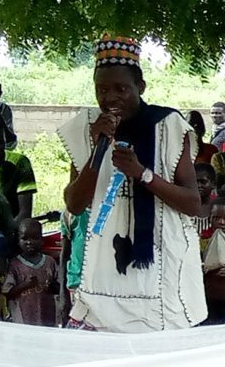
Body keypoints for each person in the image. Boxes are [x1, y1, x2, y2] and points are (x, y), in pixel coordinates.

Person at [59, 37, 204, 332]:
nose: (110, 97)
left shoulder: (170, 126)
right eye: (102, 89)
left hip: (162, 261)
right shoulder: (86, 127)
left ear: (141, 87)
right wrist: (97, 150)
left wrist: (142, 173)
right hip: (103, 267)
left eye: (121, 89)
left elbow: (193, 203)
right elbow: (74, 204)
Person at [5, 219, 63, 326]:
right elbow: (8, 292)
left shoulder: (49, 262)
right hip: (23, 318)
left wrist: (52, 286)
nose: (29, 242)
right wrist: (26, 285)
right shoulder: (15, 264)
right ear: (18, 240)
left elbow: (60, 286)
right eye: (24, 238)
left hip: (47, 315)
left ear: (42, 240)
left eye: (35, 238)